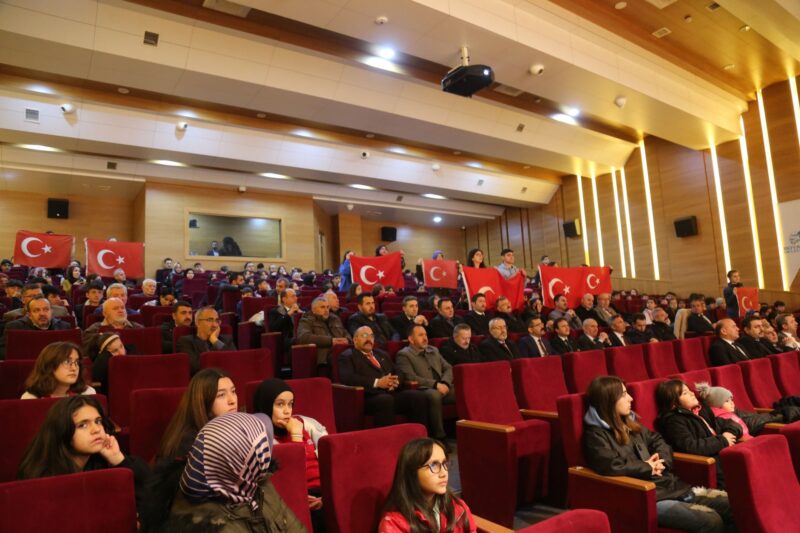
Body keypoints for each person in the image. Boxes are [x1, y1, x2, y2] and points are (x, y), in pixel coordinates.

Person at [583, 376, 735, 533]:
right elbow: (610, 465)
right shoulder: (595, 435)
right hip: (646, 498)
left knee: (734, 504)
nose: (631, 398)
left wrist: (661, 460)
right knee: (711, 520)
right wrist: (647, 467)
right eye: (623, 395)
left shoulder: (630, 424)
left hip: (670, 486)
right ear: (608, 400)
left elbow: (658, 441)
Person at [164, 412, 305, 532]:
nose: (266, 459)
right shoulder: (206, 524)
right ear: (236, 465)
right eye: (261, 452)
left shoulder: (255, 484)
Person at [17, 396, 150, 508]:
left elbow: (149, 498)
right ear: (62, 431)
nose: (96, 429)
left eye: (98, 421)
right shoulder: (43, 479)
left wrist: (118, 459)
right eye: (83, 425)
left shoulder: (102, 462)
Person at [252, 378, 328, 532]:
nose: (287, 411)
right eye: (280, 404)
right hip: (294, 495)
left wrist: (328, 496)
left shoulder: (305, 424)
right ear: (266, 405)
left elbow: (332, 460)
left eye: (290, 404)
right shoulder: (261, 436)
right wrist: (296, 436)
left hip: (323, 491)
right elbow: (288, 478)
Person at [379, 438, 476, 533]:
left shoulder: (458, 506)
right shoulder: (393, 523)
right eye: (434, 465)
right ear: (412, 472)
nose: (444, 473)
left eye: (444, 463)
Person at [655, 380, 739, 489]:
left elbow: (730, 423)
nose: (692, 393)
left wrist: (728, 433)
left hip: (723, 456)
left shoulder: (700, 411)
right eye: (685, 393)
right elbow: (690, 447)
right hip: (707, 466)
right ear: (673, 403)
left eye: (690, 390)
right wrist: (723, 440)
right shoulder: (673, 421)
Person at [338, 326, 428, 428]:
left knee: (417, 396)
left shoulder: (381, 354)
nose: (369, 339)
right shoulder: (347, 356)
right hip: (368, 397)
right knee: (386, 400)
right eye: (364, 335)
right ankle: (388, 437)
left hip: (391, 393)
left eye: (371, 336)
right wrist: (378, 383)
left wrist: (395, 381)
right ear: (355, 339)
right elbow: (349, 378)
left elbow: (398, 371)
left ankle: (420, 435)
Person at [396, 324, 456, 439]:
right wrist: (435, 384)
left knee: (464, 390)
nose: (425, 338)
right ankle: (439, 436)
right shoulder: (404, 354)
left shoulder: (434, 350)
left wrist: (445, 383)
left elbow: (448, 368)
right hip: (424, 389)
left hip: (443, 385)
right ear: (411, 339)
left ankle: (468, 428)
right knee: (434, 395)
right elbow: (410, 377)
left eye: (426, 335)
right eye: (420, 335)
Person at [1, 296, 72, 359]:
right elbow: (2, 351)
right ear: (29, 315)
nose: (42, 313)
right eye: (36, 310)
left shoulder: (64, 326)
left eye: (46, 309)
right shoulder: (15, 327)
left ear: (51, 312)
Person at [20, 342, 96, 399]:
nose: (74, 368)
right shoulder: (31, 398)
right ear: (50, 366)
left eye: (77, 362)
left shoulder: (87, 393)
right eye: (67, 362)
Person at [176, 306, 237, 375]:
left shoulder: (226, 340)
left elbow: (234, 361)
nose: (214, 325)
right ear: (198, 323)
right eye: (210, 320)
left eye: (217, 321)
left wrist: (215, 341)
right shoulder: (185, 342)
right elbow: (196, 368)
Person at [295, 296, 351, 366]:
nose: (326, 310)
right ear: (314, 310)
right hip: (324, 356)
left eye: (327, 307)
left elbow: (345, 332)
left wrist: (347, 340)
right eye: (322, 307)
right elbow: (303, 337)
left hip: (342, 350)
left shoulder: (334, 318)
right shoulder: (306, 320)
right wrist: (331, 341)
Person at [268, 288, 303, 352]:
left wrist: (302, 314)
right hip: (287, 339)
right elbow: (274, 327)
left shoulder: (301, 309)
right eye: (293, 296)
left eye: (296, 296)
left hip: (302, 335)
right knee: (301, 340)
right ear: (284, 299)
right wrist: (288, 314)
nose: (296, 298)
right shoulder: (275, 311)